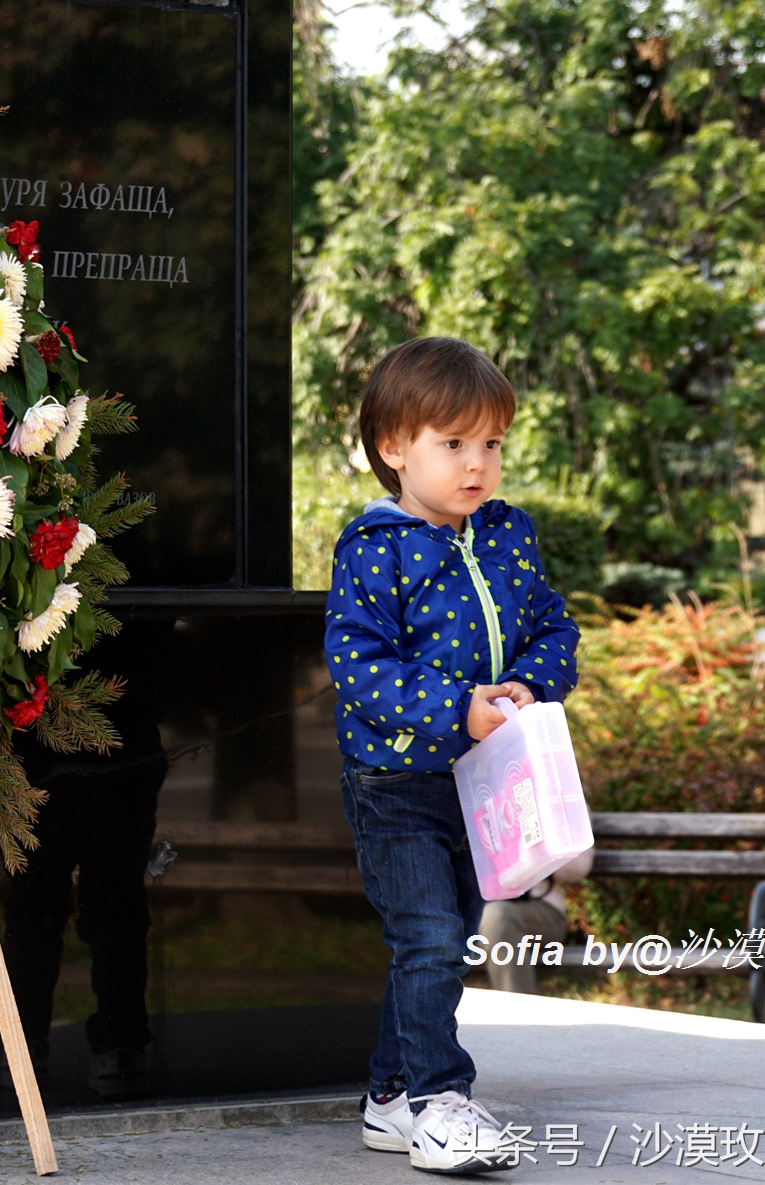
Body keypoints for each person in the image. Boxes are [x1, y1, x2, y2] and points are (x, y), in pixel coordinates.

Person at [324, 337, 580, 1174]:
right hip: (395, 781)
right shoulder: (375, 547)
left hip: (482, 786)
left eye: (492, 444)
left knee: (449, 937)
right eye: (453, 443)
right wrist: (456, 709)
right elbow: (359, 664)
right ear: (394, 448)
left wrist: (525, 692)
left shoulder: (508, 535)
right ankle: (442, 1103)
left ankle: (389, 1097)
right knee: (429, 937)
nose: (478, 465)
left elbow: (552, 625)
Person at [0, 620, 170, 1099]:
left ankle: (23, 1048)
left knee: (40, 903)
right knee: (113, 899)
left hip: (55, 742)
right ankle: (118, 1048)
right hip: (119, 737)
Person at [478, 848, 594, 993]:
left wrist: (535, 847)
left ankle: (518, 1012)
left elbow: (579, 866)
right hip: (472, 905)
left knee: (497, 917)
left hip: (540, 907)